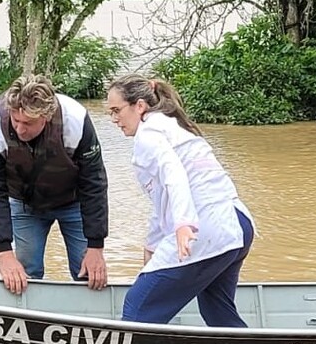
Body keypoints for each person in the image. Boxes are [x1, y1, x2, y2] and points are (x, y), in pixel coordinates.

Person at [105, 74, 255, 327]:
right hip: (238, 224)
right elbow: (161, 199)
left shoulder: (148, 133)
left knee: (137, 308)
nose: (114, 119)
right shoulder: (170, 126)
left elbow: (174, 173)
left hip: (205, 228)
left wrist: (184, 224)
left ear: (139, 106)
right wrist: (151, 248)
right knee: (217, 310)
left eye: (117, 110)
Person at [0, 75, 109, 295]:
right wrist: (4, 253)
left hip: (74, 203)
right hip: (24, 204)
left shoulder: (74, 119)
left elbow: (94, 183)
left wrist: (96, 245)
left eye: (28, 123)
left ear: (45, 116)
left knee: (89, 274)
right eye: (15, 120)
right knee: (23, 276)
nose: (19, 129)